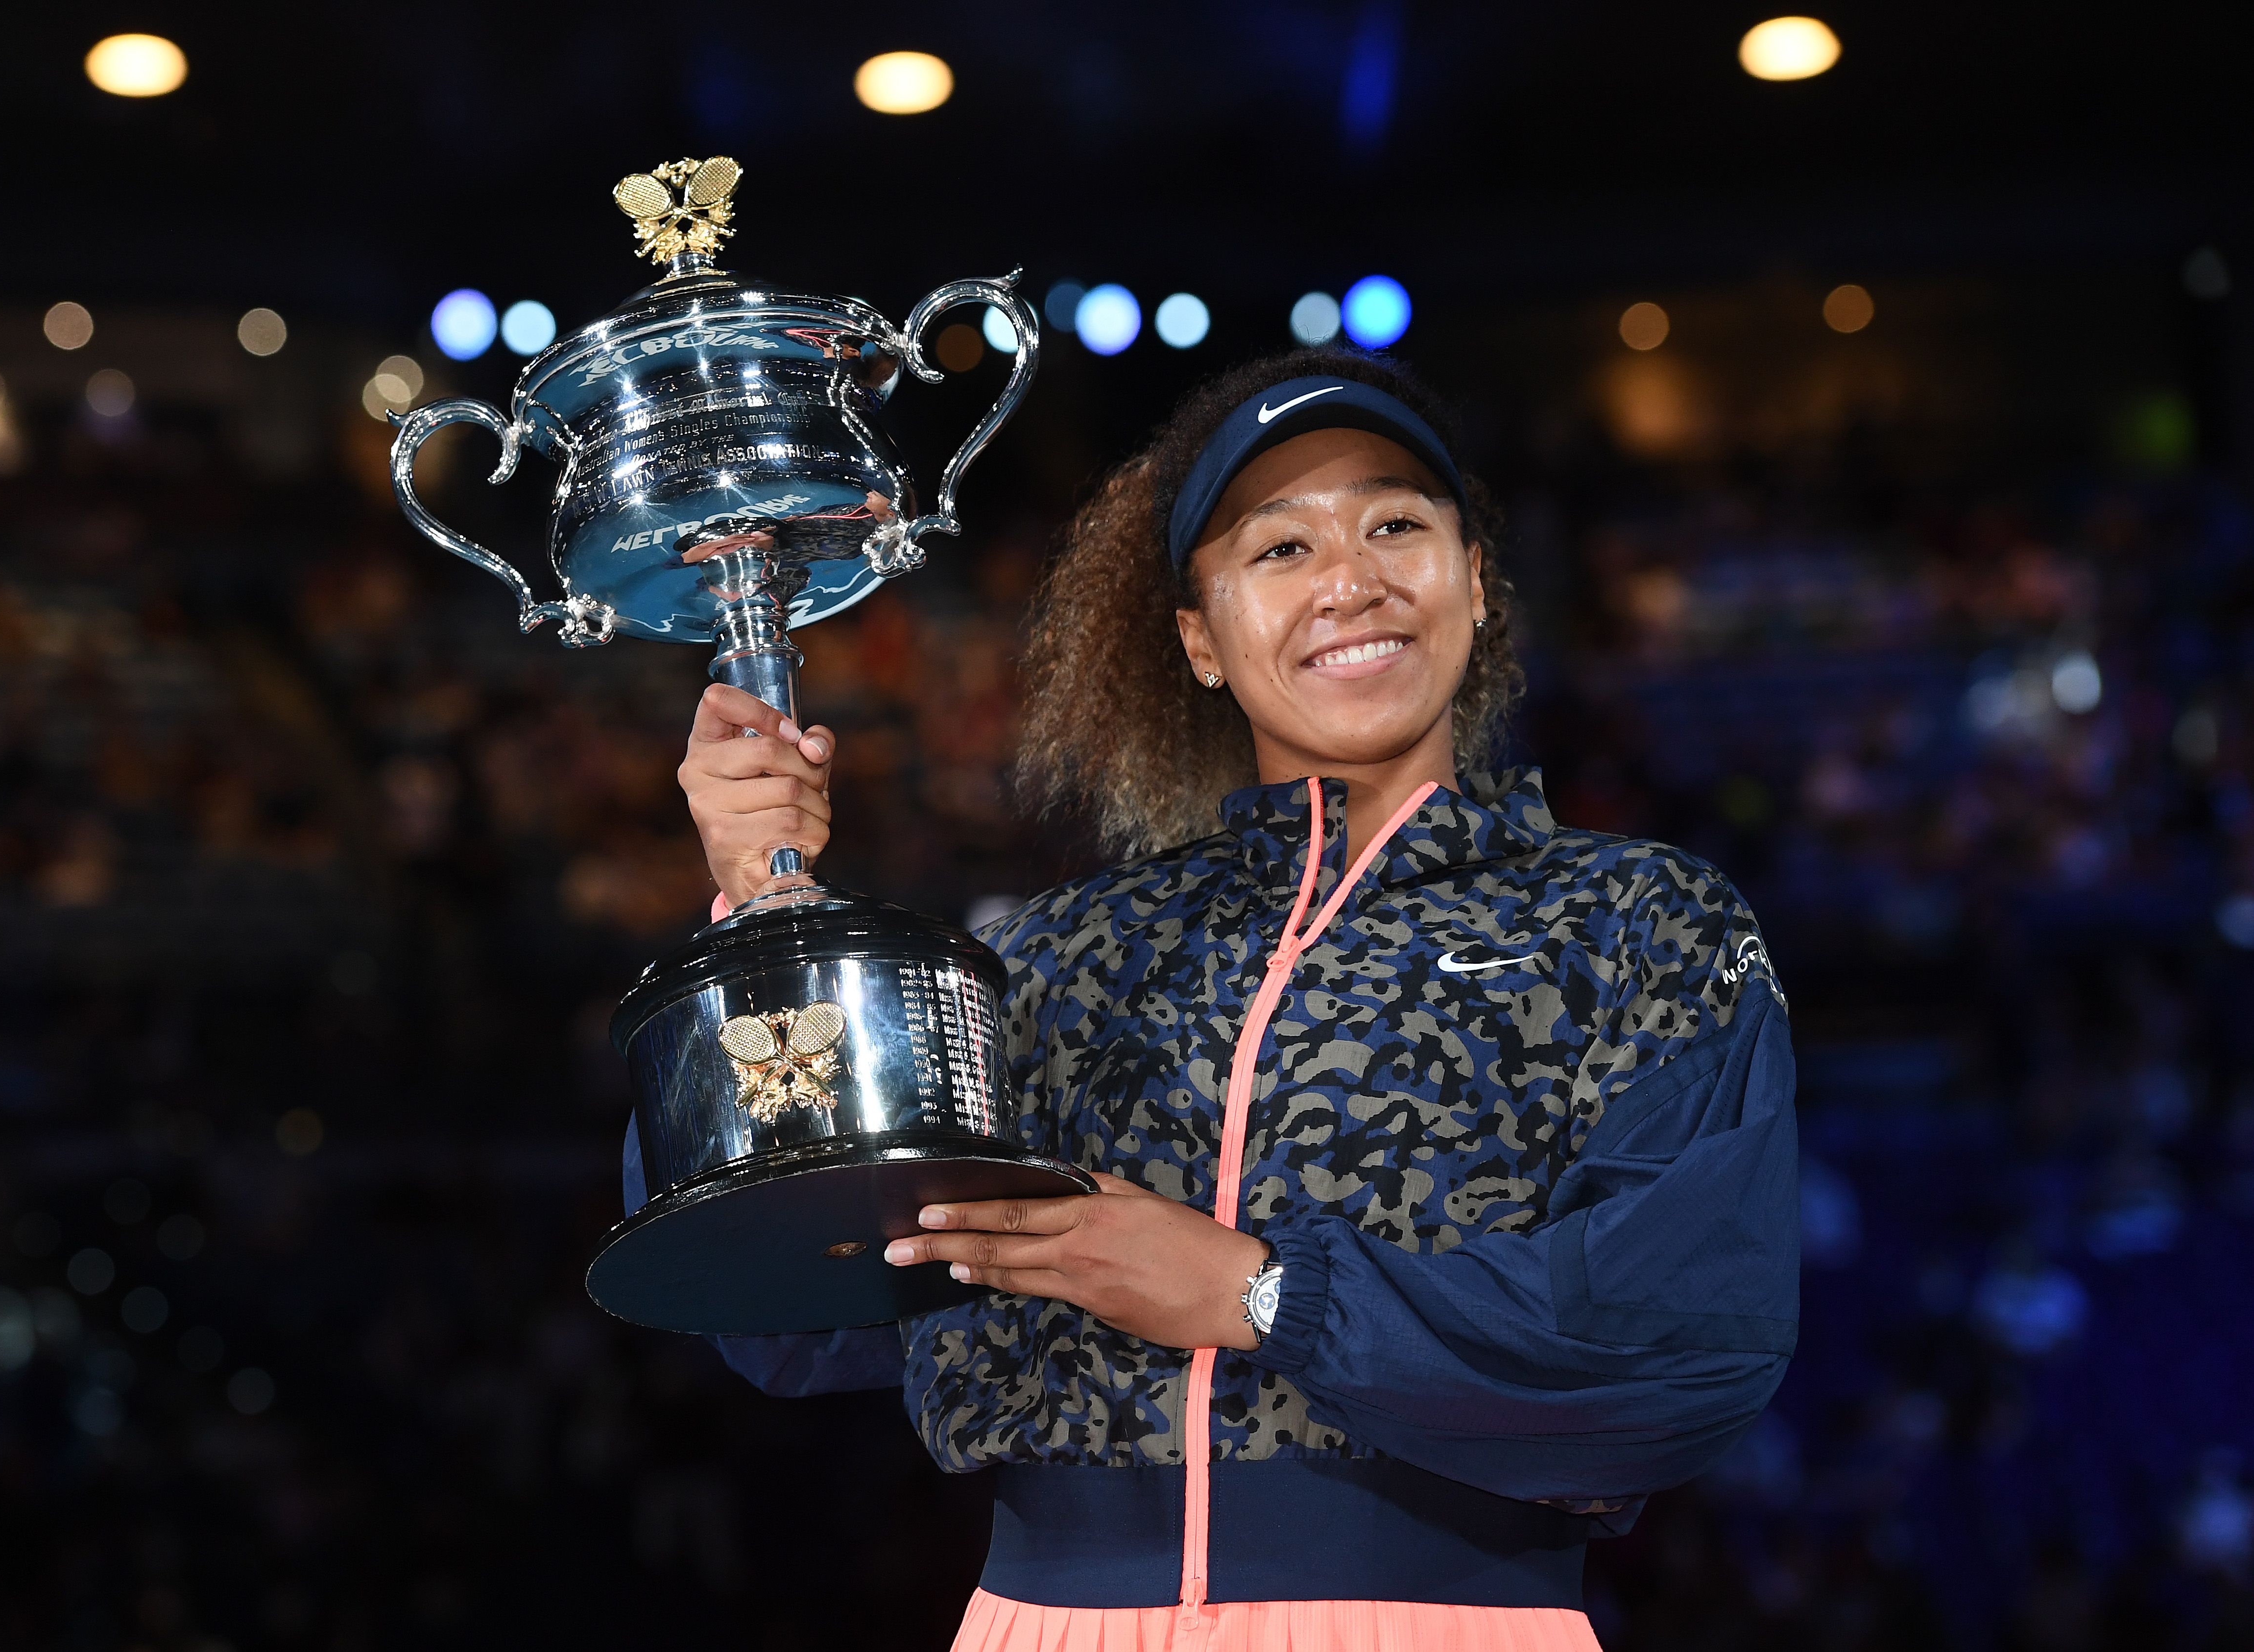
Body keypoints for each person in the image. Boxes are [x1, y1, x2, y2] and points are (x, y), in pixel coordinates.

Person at [636, 349, 1798, 1651]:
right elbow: (791, 1307)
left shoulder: (1638, 925)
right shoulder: (1059, 957)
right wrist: (757, 912)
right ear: (1197, 638)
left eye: (1396, 525)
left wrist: (1261, 1295)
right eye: (1279, 549)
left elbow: (1678, 1347)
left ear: (1475, 583)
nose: (1349, 578)